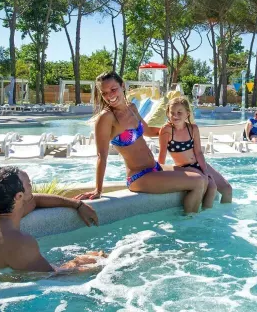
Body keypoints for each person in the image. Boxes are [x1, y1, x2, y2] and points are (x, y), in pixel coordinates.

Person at [74, 71, 206, 214]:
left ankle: (198, 216)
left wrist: (176, 129)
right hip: (139, 177)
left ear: (122, 86)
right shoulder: (106, 117)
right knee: (198, 182)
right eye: (104, 93)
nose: (110, 96)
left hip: (155, 167)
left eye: (113, 89)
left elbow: (148, 130)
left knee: (199, 174)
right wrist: (98, 189)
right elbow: (102, 156)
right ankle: (189, 224)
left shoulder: (132, 108)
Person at [0, 167, 104, 272]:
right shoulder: (19, 242)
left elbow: (35, 200)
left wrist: (77, 204)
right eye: (29, 184)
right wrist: (86, 261)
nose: (31, 186)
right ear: (19, 196)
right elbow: (52, 277)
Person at [158, 97, 232, 208]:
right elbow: (162, 154)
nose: (175, 116)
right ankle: (202, 217)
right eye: (172, 113)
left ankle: (224, 217)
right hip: (184, 167)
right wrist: (158, 174)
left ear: (187, 113)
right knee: (211, 187)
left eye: (179, 112)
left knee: (227, 189)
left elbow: (198, 152)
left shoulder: (193, 129)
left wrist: (205, 170)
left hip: (199, 164)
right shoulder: (167, 130)